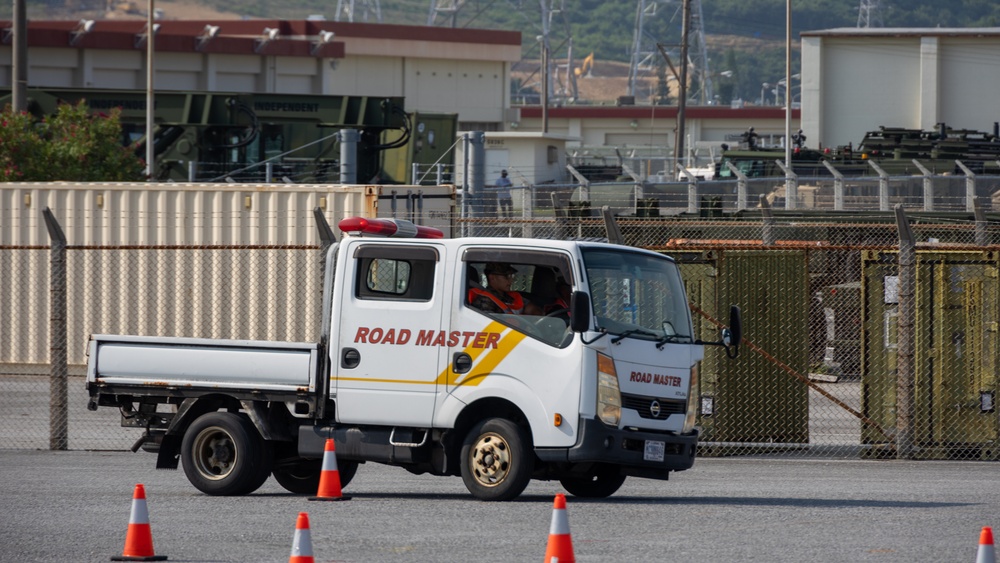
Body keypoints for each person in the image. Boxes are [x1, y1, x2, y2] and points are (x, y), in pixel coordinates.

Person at [468, 262, 537, 315]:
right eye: (506, 276)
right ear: (492, 278)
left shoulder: (512, 296)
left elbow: (533, 310)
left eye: (511, 276)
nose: (511, 280)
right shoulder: (484, 301)